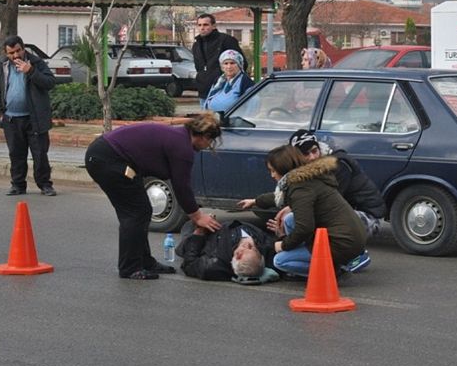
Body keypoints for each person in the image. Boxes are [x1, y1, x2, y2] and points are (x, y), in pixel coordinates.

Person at [84, 113, 223, 280]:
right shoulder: (183, 147)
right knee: (135, 214)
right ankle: (130, 268)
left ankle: (144, 261)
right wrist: (197, 216)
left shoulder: (180, 136)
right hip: (107, 159)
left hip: (106, 156)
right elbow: (181, 186)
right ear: (204, 136)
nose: (208, 145)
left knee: (142, 211)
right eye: (210, 141)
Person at [240, 145, 366, 278]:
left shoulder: (301, 189)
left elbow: (305, 227)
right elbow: (282, 197)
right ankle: (320, 259)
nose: (272, 175)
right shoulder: (306, 179)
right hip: (351, 237)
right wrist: (256, 201)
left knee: (281, 260)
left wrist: (283, 245)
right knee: (289, 219)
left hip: (342, 244)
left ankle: (334, 271)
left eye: (273, 171)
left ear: (283, 168)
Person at [0, 35, 57, 197]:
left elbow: (50, 83)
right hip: (11, 119)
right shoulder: (2, 66)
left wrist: (31, 71)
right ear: (6, 53)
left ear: (23, 48)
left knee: (40, 154)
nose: (15, 56)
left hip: (34, 119)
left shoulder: (36, 63)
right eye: (11, 53)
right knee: (16, 154)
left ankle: (45, 185)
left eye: (18, 51)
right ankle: (18, 185)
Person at [176, 219, 277, 281]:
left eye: (249, 248)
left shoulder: (214, 264)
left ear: (237, 254)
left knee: (189, 228)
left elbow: (189, 264)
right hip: (232, 226)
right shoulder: (266, 249)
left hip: (203, 234)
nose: (251, 244)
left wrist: (199, 231)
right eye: (255, 249)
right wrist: (281, 234)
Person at [192, 13, 246, 107]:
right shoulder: (196, 45)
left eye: (205, 24)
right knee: (207, 120)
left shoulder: (226, 40)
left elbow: (242, 63)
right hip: (204, 90)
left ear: (213, 26)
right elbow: (198, 67)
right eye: (199, 25)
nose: (202, 28)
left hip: (223, 90)